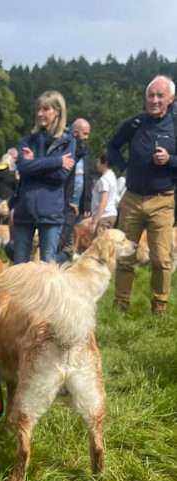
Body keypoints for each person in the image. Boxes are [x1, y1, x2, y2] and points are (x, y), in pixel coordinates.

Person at [107, 75, 177, 315]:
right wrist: (123, 167)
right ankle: (120, 307)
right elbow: (112, 145)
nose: (155, 100)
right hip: (132, 199)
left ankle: (159, 309)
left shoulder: (175, 125)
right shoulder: (135, 123)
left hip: (162, 200)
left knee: (161, 259)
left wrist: (170, 160)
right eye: (151, 95)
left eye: (160, 95)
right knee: (126, 257)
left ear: (171, 99)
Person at [12, 90, 76, 263]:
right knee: (19, 265)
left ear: (57, 111)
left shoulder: (68, 141)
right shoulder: (28, 140)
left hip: (51, 213)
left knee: (48, 265)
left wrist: (35, 165)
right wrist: (56, 161)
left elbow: (61, 176)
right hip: (24, 211)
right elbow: (24, 168)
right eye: (38, 109)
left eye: (45, 109)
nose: (40, 113)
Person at [57, 118, 92, 263]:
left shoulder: (86, 154)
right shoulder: (66, 149)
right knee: (61, 242)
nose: (87, 137)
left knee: (68, 244)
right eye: (84, 134)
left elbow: (88, 180)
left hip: (77, 206)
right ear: (75, 133)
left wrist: (87, 205)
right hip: (65, 204)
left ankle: (63, 268)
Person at [89, 151, 119, 235]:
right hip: (111, 214)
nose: (96, 165)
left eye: (98, 162)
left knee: (100, 244)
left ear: (105, 163)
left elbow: (103, 201)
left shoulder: (104, 180)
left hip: (104, 216)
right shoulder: (112, 175)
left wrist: (94, 222)